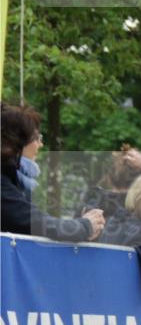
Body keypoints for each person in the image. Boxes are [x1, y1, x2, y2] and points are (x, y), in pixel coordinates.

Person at [1, 102, 104, 241]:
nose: (41, 144)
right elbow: (37, 223)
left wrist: (80, 225)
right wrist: (85, 226)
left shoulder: (13, 180)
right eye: (37, 137)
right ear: (16, 143)